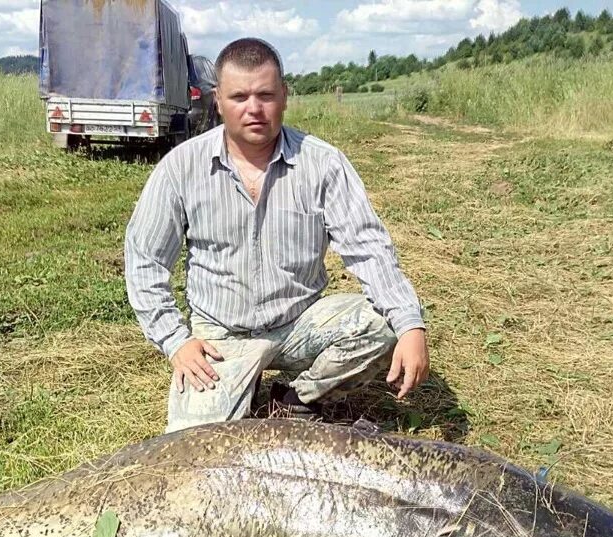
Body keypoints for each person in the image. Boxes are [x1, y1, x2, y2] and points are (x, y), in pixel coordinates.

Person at [124, 38, 429, 433]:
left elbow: (368, 249)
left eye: (266, 95)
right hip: (221, 336)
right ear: (218, 100)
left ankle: (296, 400)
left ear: (284, 95)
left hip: (298, 325)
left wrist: (410, 325)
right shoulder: (180, 168)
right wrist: (175, 341)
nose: (254, 108)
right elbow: (144, 260)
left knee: (382, 325)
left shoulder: (323, 164)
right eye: (239, 96)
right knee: (197, 445)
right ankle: (238, 386)